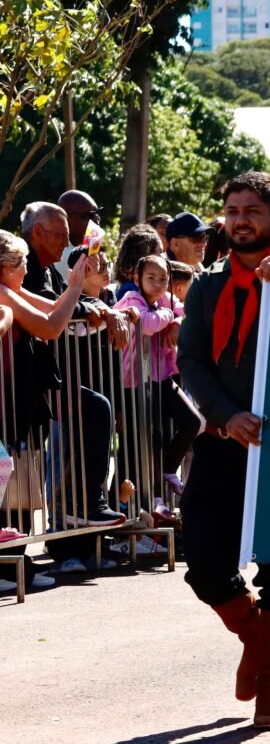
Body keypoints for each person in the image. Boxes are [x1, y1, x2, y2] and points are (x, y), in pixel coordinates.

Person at [177, 171, 270, 731]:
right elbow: (190, 362)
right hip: (222, 443)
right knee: (205, 564)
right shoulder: (208, 286)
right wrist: (225, 415)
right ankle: (259, 637)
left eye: (252, 211)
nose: (241, 220)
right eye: (233, 210)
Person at [18, 203, 128, 528]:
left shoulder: (47, 267)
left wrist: (95, 305)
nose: (66, 245)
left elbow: (59, 304)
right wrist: (88, 301)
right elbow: (53, 314)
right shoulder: (25, 266)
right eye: (61, 236)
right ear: (38, 232)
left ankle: (80, 508)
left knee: (28, 465)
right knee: (20, 465)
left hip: (38, 377)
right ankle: (75, 510)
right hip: (22, 380)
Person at [114, 254, 196, 516]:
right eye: (151, 278)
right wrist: (169, 315)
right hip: (133, 383)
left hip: (160, 377)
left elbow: (186, 314)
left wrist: (178, 321)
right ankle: (142, 505)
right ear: (137, 279)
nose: (158, 284)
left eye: (163, 279)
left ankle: (167, 471)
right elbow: (147, 325)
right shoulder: (131, 300)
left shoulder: (165, 300)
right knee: (145, 443)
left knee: (193, 422)